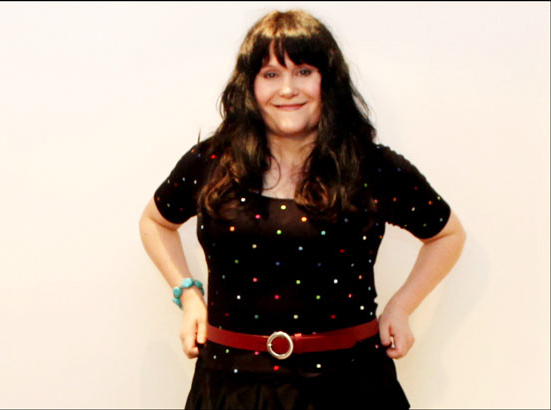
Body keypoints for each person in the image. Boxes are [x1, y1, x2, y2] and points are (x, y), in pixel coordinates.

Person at [139, 9, 465, 409]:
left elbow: (448, 235)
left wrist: (402, 307)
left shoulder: (371, 166)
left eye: (304, 71)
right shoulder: (212, 161)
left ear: (329, 80)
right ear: (250, 84)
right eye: (271, 74)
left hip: (349, 388)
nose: (287, 89)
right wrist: (188, 295)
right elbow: (155, 221)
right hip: (229, 387)